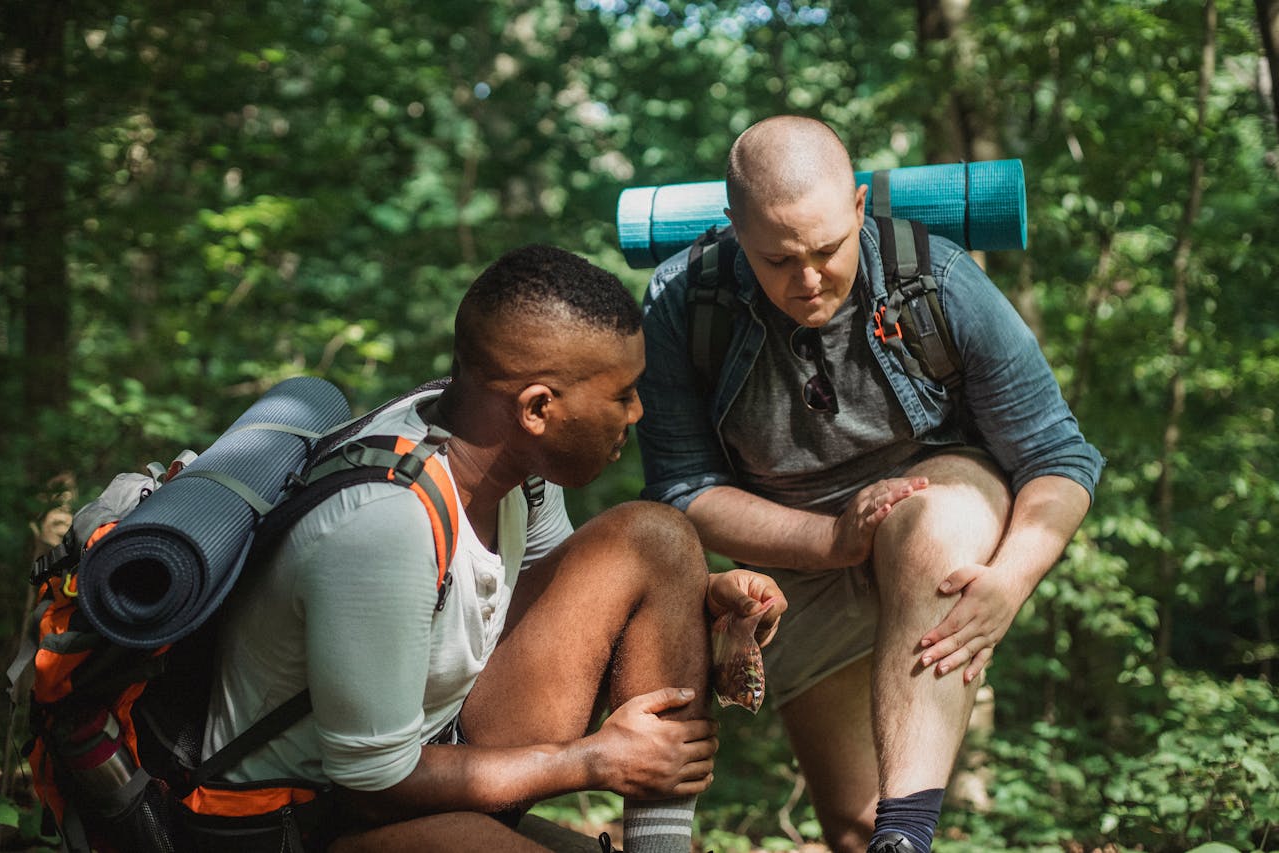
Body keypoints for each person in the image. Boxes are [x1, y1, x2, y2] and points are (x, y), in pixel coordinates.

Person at [202, 244, 786, 853]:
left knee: (657, 538)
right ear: (537, 408)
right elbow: (371, 782)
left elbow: (567, 619)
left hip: (435, 756)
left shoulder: (513, 466)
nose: (637, 412)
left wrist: (702, 597)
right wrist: (594, 762)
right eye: (623, 394)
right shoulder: (387, 527)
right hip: (302, 821)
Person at [635, 116, 1104, 853]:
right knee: (856, 831)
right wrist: (829, 538)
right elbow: (682, 490)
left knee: (921, 523)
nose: (809, 278)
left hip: (938, 506)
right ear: (733, 229)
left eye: (827, 249)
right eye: (778, 258)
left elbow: (1059, 456)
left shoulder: (938, 279)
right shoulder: (681, 305)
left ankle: (908, 831)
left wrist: (1008, 583)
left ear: (859, 207)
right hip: (797, 559)